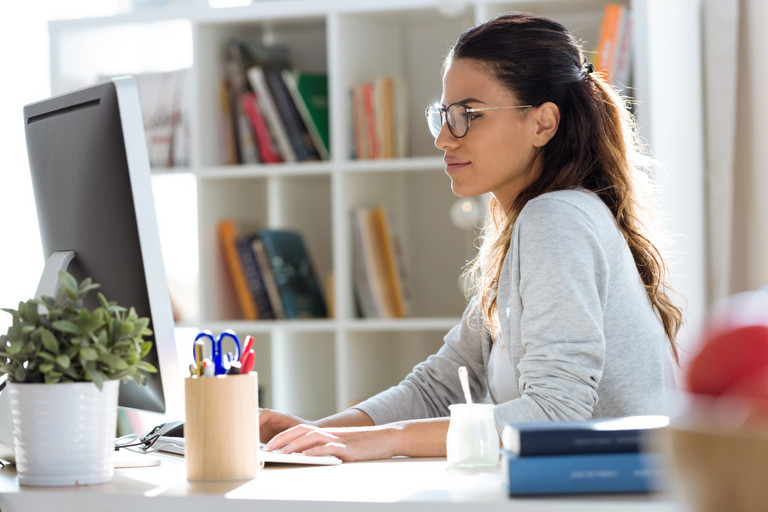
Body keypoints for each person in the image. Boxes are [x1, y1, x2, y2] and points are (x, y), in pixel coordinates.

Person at [259, 12, 683, 462]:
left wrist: (387, 439)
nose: (444, 137)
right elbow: (437, 386)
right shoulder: (534, 225)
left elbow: (558, 411)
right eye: (443, 115)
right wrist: (309, 438)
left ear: (543, 123)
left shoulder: (556, 219)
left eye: (468, 115)